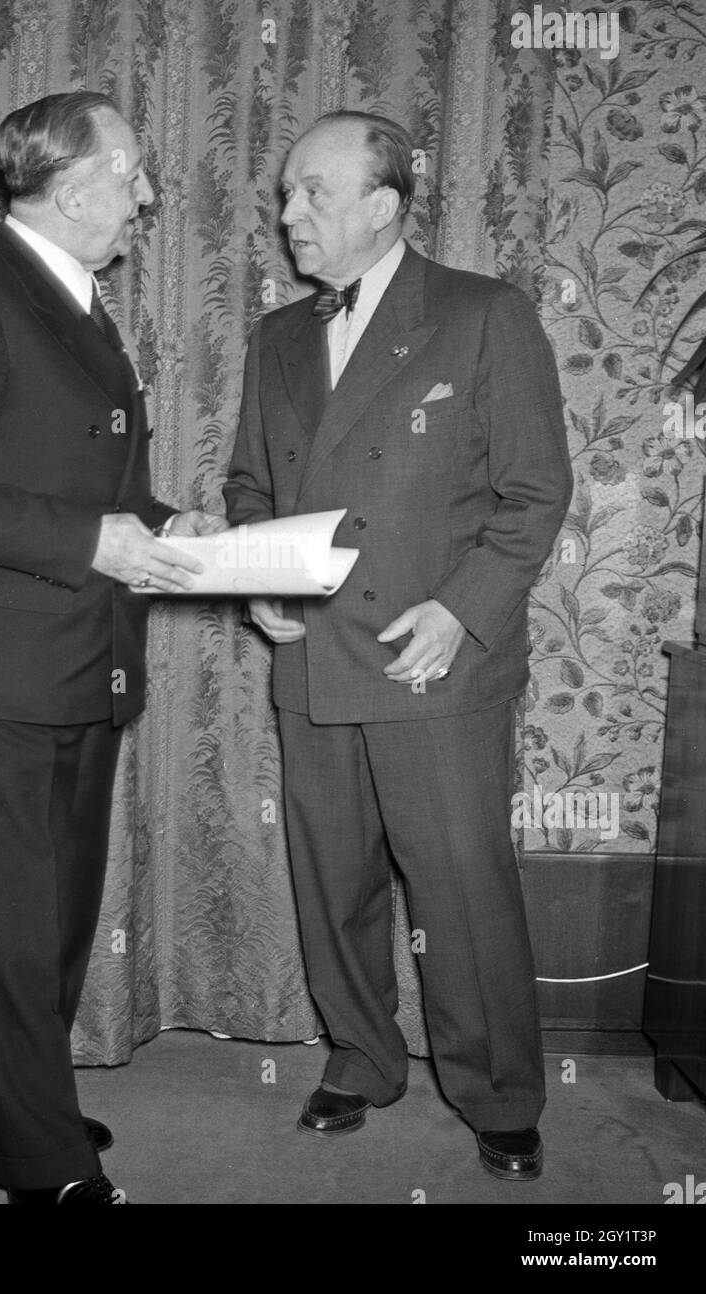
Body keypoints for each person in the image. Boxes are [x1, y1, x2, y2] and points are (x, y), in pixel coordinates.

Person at [0, 91, 225, 1204]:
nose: (148, 196)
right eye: (134, 176)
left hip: (81, 658)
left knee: (53, 909)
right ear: (75, 186)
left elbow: (101, 493)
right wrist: (96, 540)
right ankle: (41, 1162)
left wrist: (178, 532)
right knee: (8, 920)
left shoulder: (73, 304)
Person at [224, 110, 573, 1180]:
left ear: (381, 204)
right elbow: (248, 484)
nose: (288, 215)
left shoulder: (480, 314)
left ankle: (495, 1090)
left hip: (436, 660)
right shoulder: (276, 338)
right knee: (331, 880)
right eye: (284, 195)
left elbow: (532, 490)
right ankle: (359, 1057)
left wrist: (462, 609)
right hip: (315, 657)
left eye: (310, 193)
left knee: (460, 887)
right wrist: (255, 585)